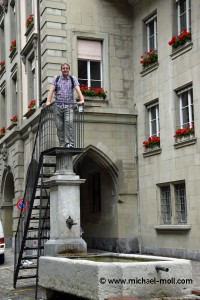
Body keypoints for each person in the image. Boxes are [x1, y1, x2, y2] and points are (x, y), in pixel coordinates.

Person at [45, 63, 84, 148]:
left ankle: (70, 143)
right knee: (59, 126)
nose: (65, 69)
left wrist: (82, 100)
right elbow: (51, 90)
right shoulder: (57, 78)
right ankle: (62, 144)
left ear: (69, 70)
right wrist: (48, 101)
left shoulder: (72, 79)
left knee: (69, 123)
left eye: (66, 68)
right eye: (63, 68)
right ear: (61, 70)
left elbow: (78, 89)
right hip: (58, 106)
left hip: (69, 106)